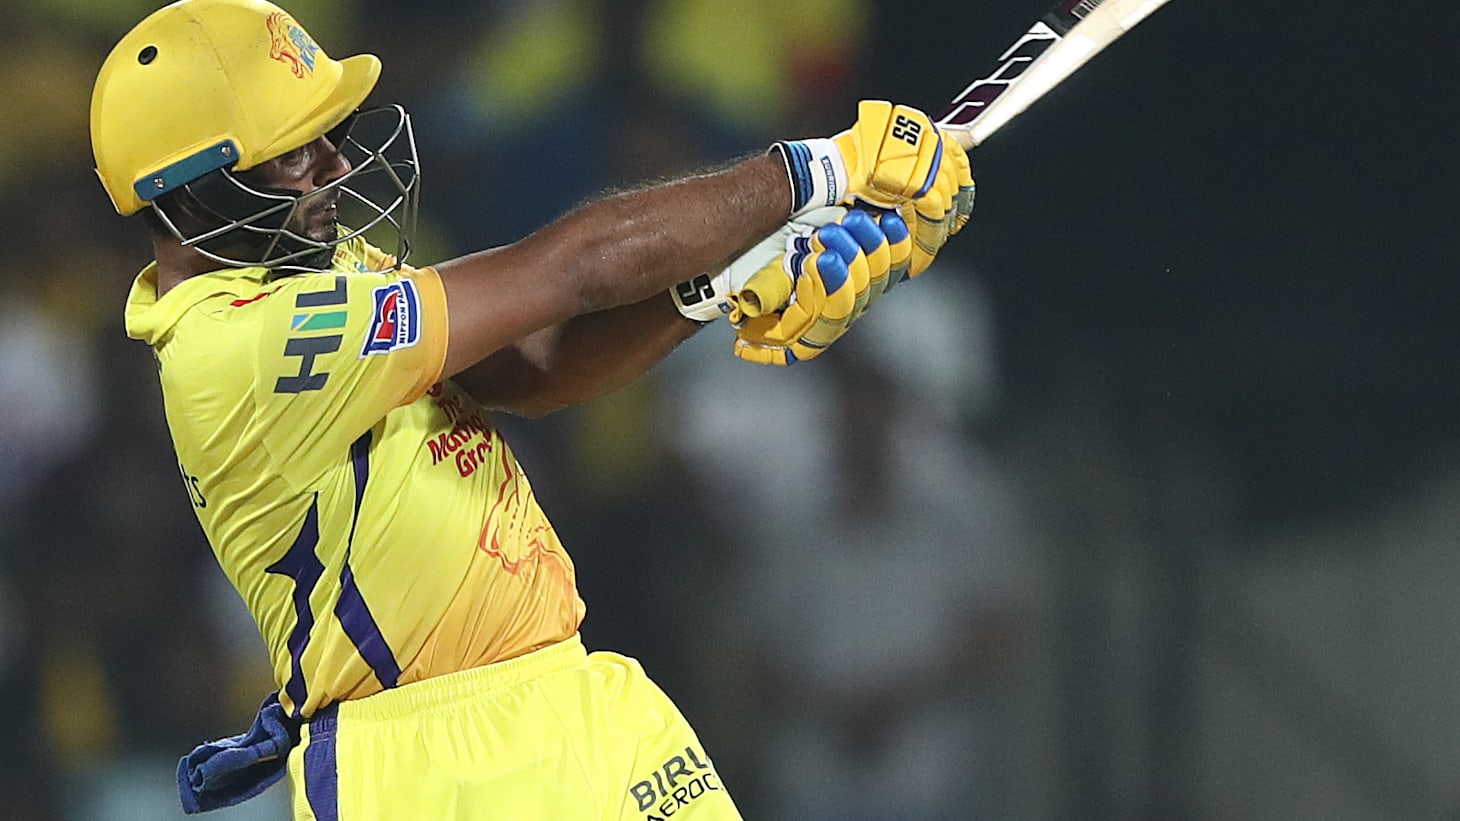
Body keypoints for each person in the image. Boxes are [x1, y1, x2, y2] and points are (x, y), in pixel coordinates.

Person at [88, 0, 973, 818]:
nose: (339, 166)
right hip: (429, 763)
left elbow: (534, 369)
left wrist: (725, 284)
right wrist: (816, 170)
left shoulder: (315, 268)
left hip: (574, 692)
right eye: (295, 153)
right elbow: (570, 270)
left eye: (327, 137)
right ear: (191, 189)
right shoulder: (237, 345)